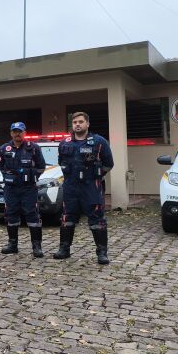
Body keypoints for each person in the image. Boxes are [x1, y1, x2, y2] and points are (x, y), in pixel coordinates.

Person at [54, 111, 114, 264]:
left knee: (97, 219)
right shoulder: (65, 143)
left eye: (81, 122)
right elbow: (61, 162)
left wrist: (96, 176)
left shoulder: (99, 141)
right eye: (75, 122)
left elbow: (108, 163)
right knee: (67, 217)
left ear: (87, 124)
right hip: (71, 187)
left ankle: (102, 253)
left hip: (90, 187)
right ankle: (64, 249)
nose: (77, 125)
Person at [0, 122, 46, 257]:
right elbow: (1, 166)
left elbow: (41, 166)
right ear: (11, 133)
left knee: (32, 214)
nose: (17, 134)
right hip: (11, 188)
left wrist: (30, 176)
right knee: (11, 214)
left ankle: (36, 246)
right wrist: (9, 176)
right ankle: (12, 244)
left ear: (25, 132)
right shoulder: (4, 148)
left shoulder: (33, 148)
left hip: (29, 188)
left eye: (20, 131)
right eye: (15, 131)